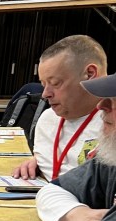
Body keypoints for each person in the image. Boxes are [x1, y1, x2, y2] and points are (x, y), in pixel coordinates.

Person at [36, 72, 116, 221]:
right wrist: (81, 216)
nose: (101, 105)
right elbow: (51, 191)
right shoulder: (111, 158)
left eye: (114, 100)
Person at [12, 35, 106, 180]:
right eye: (44, 84)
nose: (45, 94)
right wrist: (37, 167)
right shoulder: (47, 119)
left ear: (90, 74)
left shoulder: (110, 123)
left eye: (55, 83)